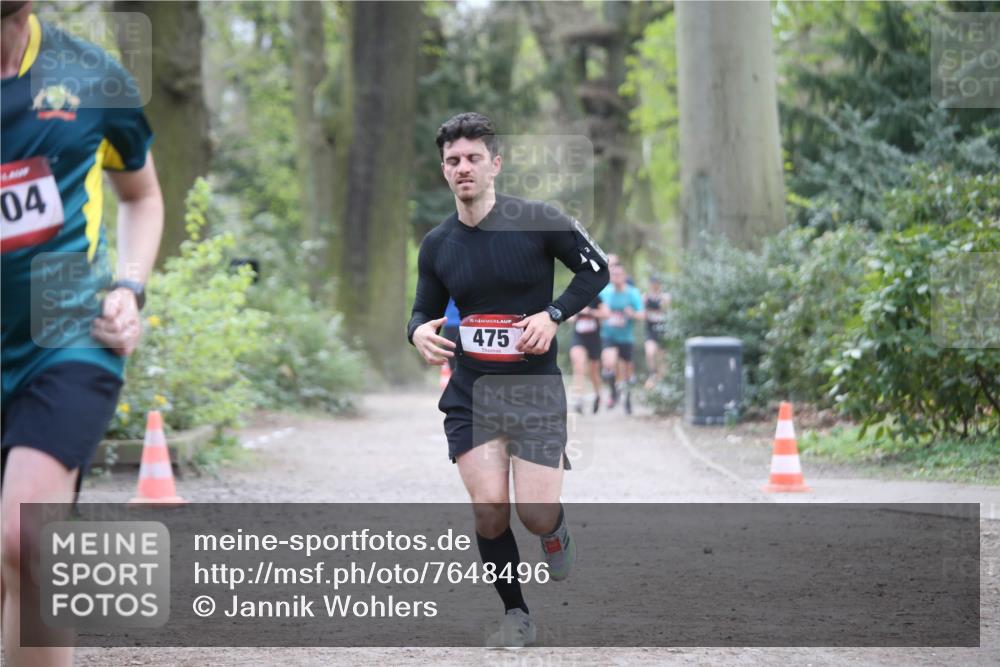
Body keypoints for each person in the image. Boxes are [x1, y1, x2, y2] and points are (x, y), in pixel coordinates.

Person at [407, 112, 608, 647]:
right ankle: (516, 613)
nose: (463, 168)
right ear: (444, 171)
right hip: (471, 393)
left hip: (534, 390)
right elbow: (421, 310)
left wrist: (554, 315)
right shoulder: (438, 244)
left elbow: (596, 269)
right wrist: (416, 335)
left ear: (495, 164)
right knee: (490, 509)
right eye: (453, 161)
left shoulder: (540, 221)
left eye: (474, 158)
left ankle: (554, 529)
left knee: (535, 514)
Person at [1, 3, 163, 665]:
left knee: (26, 536)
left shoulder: (91, 75)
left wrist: (128, 285)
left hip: (66, 333)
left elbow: (141, 195)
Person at [600, 264, 644, 414]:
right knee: (608, 363)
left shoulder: (633, 293)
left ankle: (628, 400)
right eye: (613, 274)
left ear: (624, 276)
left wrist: (632, 314)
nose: (616, 277)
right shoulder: (605, 293)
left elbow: (642, 315)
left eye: (618, 274)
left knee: (627, 373)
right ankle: (613, 392)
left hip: (626, 337)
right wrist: (602, 312)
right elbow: (596, 309)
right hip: (609, 335)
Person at [568, 295, 609, 414]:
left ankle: (598, 395)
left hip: (594, 340)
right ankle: (578, 398)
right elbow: (567, 317)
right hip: (579, 338)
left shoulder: (596, 298)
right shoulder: (575, 297)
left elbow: (606, 314)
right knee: (579, 366)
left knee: (593, 372)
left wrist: (590, 311)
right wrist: (576, 314)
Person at [643, 275, 670, 390]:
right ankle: (652, 373)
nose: (654, 285)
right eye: (652, 283)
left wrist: (658, 299)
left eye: (656, 283)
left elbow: (666, 309)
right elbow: (642, 312)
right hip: (650, 330)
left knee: (662, 359)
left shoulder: (665, 296)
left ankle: (662, 382)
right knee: (650, 352)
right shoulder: (645, 297)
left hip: (663, 330)